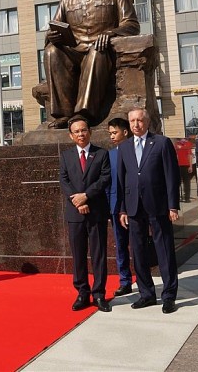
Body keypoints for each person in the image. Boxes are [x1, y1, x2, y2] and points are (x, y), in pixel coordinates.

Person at [43, 0, 140, 127]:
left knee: (96, 50)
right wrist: (52, 37)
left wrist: (112, 33)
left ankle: (83, 114)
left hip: (101, 53)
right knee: (51, 52)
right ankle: (63, 114)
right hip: (74, 53)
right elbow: (53, 28)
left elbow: (132, 24)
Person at [116, 108, 180, 314]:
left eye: (140, 120)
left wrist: (173, 205)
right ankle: (146, 294)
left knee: (164, 250)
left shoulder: (161, 142)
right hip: (134, 207)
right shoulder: (124, 147)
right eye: (132, 121)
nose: (136, 124)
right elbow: (122, 179)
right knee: (138, 251)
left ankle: (169, 295)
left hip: (158, 205)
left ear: (147, 121)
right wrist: (123, 209)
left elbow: (172, 176)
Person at [60, 118, 112, 312]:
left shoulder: (101, 154)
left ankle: (99, 294)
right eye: (76, 132)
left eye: (83, 130)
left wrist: (86, 196)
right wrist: (77, 201)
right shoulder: (66, 156)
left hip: (96, 212)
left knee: (99, 255)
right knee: (79, 255)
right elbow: (64, 181)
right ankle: (82, 292)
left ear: (89, 132)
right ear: (71, 135)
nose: (81, 134)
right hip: (75, 214)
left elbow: (105, 178)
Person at [106, 118, 132, 298]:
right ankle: (125, 281)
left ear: (125, 132)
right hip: (115, 206)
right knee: (120, 246)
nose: (112, 136)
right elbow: (108, 183)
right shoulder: (109, 155)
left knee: (139, 246)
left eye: (115, 132)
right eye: (110, 134)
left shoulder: (136, 150)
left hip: (135, 206)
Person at [174, 136, 195, 203]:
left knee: (185, 183)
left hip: (184, 165)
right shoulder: (176, 144)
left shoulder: (186, 144)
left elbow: (190, 156)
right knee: (181, 183)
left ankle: (185, 198)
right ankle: (182, 197)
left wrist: (190, 166)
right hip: (179, 166)